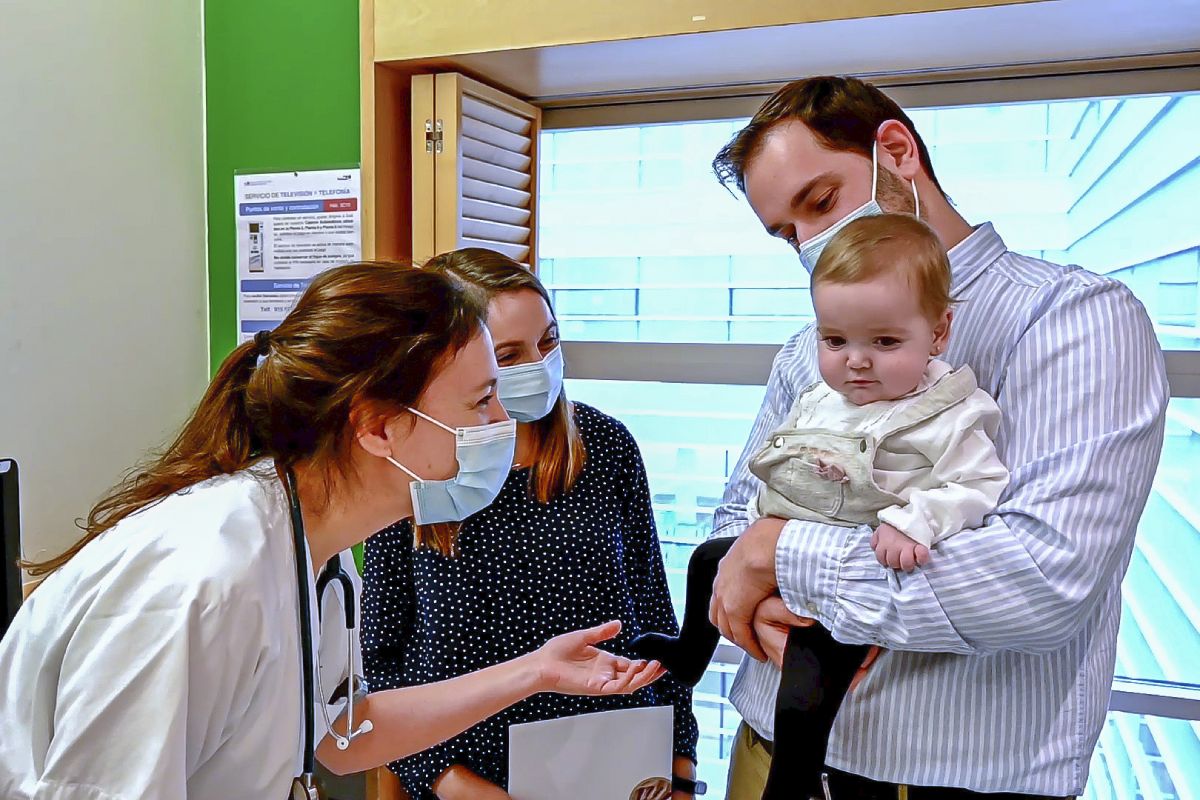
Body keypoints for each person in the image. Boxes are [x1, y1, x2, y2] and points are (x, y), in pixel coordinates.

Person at [0, 262, 665, 800]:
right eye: (480, 399)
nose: (504, 422)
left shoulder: (317, 556)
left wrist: (535, 672)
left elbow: (342, 734)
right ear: (377, 427)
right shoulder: (203, 581)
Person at [703, 76, 1167, 799]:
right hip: (764, 751)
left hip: (944, 781)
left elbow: (1040, 580)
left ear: (897, 151)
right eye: (786, 232)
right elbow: (737, 523)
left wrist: (783, 552)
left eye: (820, 202)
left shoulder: (1070, 319)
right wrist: (767, 586)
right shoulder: (807, 351)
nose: (809, 242)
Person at [635, 213, 1009, 798]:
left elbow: (977, 485)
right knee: (707, 560)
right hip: (781, 549)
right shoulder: (821, 396)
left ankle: (792, 779)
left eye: (885, 342)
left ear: (939, 333)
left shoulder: (948, 412)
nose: (856, 361)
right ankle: (688, 656)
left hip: (853, 578)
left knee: (809, 672)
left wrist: (915, 521)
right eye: (834, 341)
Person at [362, 248, 700, 800]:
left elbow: (654, 617)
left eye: (548, 342)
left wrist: (680, 763)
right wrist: (454, 784)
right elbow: (382, 659)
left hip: (619, 764)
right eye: (509, 354)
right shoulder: (414, 468)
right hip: (472, 771)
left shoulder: (606, 447)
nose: (538, 367)